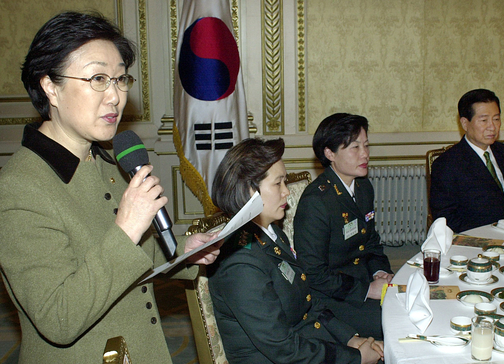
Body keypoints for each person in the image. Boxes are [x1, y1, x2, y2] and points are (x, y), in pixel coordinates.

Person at [0, 12, 220, 363]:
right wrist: (128, 226)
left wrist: (183, 251)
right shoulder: (19, 188)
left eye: (120, 79)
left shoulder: (105, 162)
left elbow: (130, 255)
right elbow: (58, 318)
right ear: (50, 87)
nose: (115, 97)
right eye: (98, 78)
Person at [208, 138, 383, 364]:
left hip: (307, 344)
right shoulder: (240, 262)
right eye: (278, 183)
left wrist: (349, 338)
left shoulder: (270, 233)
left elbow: (308, 303)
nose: (287, 192)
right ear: (249, 191)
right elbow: (284, 349)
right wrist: (354, 358)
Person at [293, 113, 393, 340]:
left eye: (366, 145)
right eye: (354, 147)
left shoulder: (363, 187)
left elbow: (371, 242)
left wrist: (380, 272)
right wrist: (367, 290)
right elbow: (314, 274)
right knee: (394, 321)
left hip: (361, 281)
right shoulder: (316, 202)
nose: (365, 154)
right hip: (329, 299)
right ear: (330, 154)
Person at [430, 88, 504, 233]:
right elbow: (447, 219)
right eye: (484, 120)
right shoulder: (447, 164)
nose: (492, 127)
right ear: (465, 123)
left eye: (496, 119)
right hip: (477, 240)